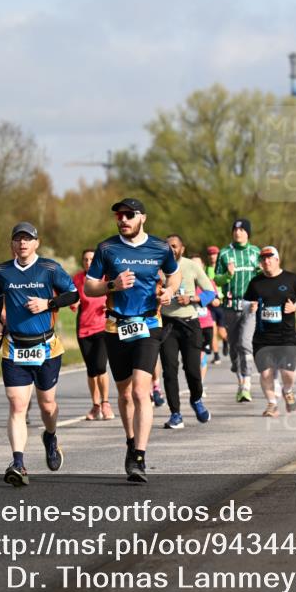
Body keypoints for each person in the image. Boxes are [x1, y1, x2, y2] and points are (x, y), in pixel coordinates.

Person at [84, 198, 181, 483]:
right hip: (116, 326)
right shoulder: (106, 248)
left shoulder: (161, 247)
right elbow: (90, 287)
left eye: (128, 215)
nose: (122, 219)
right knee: (125, 394)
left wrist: (169, 293)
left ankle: (139, 456)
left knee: (141, 391)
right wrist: (111, 285)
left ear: (143, 218)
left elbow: (174, 276)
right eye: (118, 215)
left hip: (149, 324)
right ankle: (130, 441)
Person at [0, 222, 79, 487]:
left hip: (46, 347)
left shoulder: (50, 268)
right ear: (12, 244)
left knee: (47, 405)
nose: (22, 244)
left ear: (36, 243)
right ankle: (18, 463)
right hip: (15, 346)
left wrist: (48, 304)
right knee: (17, 405)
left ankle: (50, 437)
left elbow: (73, 294)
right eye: (18, 239)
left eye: (28, 239)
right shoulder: (3, 270)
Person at [244, 246, 296, 417]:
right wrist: (249, 307)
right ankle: (272, 404)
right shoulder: (256, 282)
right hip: (262, 336)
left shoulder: (291, 279)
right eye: (263, 259)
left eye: (269, 258)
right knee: (266, 372)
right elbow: (244, 303)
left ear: (277, 260)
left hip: (285, 335)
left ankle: (287, 390)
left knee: (287, 373)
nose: (266, 261)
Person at [158, 234, 216, 430]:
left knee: (192, 370)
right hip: (167, 325)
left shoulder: (191, 266)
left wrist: (192, 299)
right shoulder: (157, 267)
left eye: (174, 246)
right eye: (168, 246)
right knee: (169, 371)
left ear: (182, 248)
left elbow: (210, 292)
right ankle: (175, 414)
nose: (171, 249)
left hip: (190, 323)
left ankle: (197, 400)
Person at [214, 219, 261, 403]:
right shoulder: (225, 253)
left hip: (250, 305)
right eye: (235, 229)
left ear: (248, 232)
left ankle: (246, 385)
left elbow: (261, 280)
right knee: (234, 349)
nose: (238, 232)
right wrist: (228, 275)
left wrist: (259, 299)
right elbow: (216, 279)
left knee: (245, 344)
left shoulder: (256, 253)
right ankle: (240, 381)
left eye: (242, 230)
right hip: (230, 307)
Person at [71, 249, 113, 421]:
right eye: (85, 260)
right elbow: (72, 298)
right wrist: (72, 302)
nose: (88, 263)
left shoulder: (106, 277)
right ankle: (95, 406)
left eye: (91, 259)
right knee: (91, 370)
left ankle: (105, 403)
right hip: (83, 329)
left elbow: (117, 295)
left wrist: (109, 306)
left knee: (101, 367)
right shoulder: (78, 279)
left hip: (102, 328)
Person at [191, 255, 218, 384]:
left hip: (205, 324)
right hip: (190, 323)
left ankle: (199, 384)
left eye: (198, 264)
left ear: (203, 266)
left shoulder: (208, 282)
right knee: (193, 357)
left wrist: (208, 299)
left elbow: (217, 300)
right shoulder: (184, 281)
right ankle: (196, 383)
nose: (196, 267)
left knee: (201, 356)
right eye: (193, 264)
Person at [205, 246, 226, 364]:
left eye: (215, 254)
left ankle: (226, 341)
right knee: (212, 330)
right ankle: (216, 355)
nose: (212, 256)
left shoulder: (222, 269)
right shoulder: (205, 269)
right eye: (210, 254)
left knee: (221, 331)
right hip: (210, 303)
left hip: (221, 302)